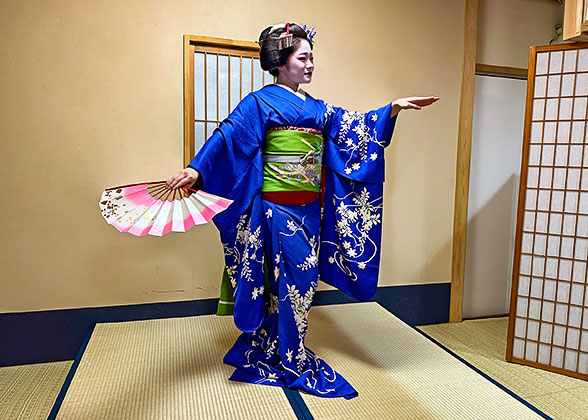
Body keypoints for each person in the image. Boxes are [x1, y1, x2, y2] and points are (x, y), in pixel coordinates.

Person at [167, 22, 438, 399]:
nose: (311, 64)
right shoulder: (260, 103)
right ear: (280, 62)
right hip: (275, 210)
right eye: (303, 57)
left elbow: (356, 128)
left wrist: (389, 110)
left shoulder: (318, 108)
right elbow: (228, 137)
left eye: (312, 57)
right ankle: (287, 354)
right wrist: (196, 169)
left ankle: (278, 346)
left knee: (300, 285)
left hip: (309, 211)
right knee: (289, 284)